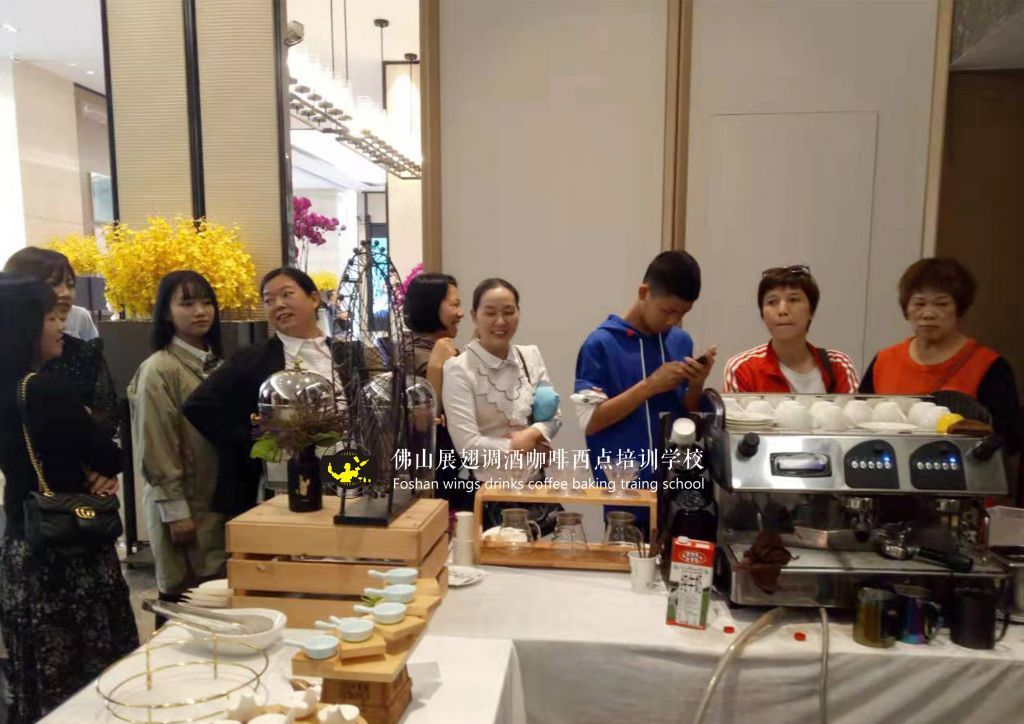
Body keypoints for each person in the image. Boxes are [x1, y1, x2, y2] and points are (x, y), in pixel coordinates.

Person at [0, 273, 137, 723]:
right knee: (89, 674)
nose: (62, 325)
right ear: (24, 325)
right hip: (70, 549)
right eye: (51, 317)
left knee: (41, 673)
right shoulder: (43, 388)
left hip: (23, 547)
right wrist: (97, 461)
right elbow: (109, 455)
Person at [183, 268, 335, 518]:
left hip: (346, 474)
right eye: (269, 300)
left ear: (314, 298)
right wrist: (252, 438)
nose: (279, 304)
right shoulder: (253, 358)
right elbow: (198, 405)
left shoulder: (345, 352)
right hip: (279, 486)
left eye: (287, 294)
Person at [574, 251, 715, 493]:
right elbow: (590, 421)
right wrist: (649, 386)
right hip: (623, 492)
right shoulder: (600, 344)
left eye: (683, 313)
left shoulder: (681, 342)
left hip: (677, 488)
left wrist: (696, 383)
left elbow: (688, 418)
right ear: (643, 293)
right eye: (668, 311)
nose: (673, 321)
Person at [128, 271, 226, 612]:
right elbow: (156, 444)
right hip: (185, 506)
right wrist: (175, 512)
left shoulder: (217, 364)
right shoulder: (159, 369)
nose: (200, 311)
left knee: (220, 596)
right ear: (167, 313)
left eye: (207, 302)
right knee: (185, 601)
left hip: (216, 501)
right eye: (187, 304)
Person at [860, 258, 1020, 449]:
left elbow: (1009, 440)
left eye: (942, 304)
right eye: (919, 304)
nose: (928, 314)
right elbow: (860, 425)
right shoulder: (884, 361)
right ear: (906, 309)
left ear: (960, 308)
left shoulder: (989, 366)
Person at [442, 278, 561, 510]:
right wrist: (524, 447)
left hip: (536, 490)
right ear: (474, 316)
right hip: (489, 494)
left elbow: (554, 416)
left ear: (518, 313)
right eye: (490, 313)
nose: (500, 321)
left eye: (508, 312)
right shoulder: (459, 369)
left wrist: (533, 433)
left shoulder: (530, 356)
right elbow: (468, 448)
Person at [3, 248, 116, 437]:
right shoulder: (11, 362)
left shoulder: (83, 352)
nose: (65, 293)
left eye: (71, 285)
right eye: (53, 284)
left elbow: (108, 419)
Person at [724, 265, 859, 394]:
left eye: (793, 300)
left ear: (811, 311)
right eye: (772, 302)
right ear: (762, 314)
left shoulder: (839, 365)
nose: (782, 310)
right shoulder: (742, 369)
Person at [402, 273, 464, 504]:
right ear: (430, 307)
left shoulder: (443, 350)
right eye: (454, 305)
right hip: (429, 478)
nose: (461, 313)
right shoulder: (411, 357)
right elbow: (422, 426)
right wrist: (436, 368)